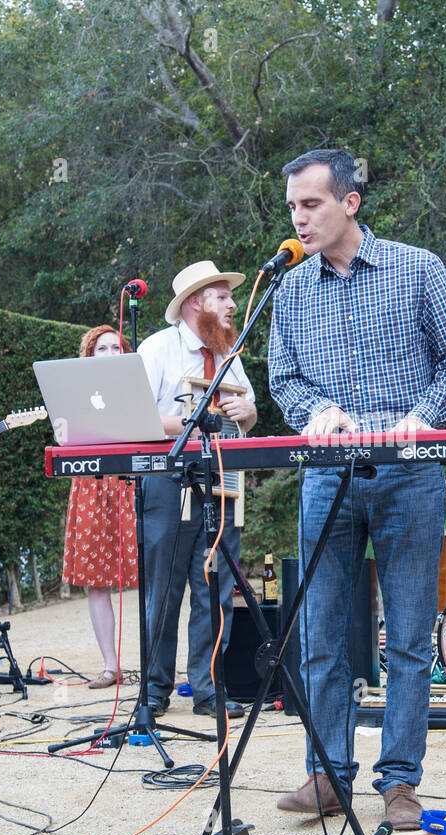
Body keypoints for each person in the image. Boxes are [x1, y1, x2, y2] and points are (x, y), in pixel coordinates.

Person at [268, 148, 446, 829]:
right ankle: (328, 776)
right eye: (293, 207)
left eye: (311, 204)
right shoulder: (289, 289)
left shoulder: (418, 268)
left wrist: (422, 417)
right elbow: (284, 381)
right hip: (326, 477)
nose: (299, 218)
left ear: (350, 202)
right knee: (321, 636)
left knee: (409, 639)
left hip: (408, 476)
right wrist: (313, 412)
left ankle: (400, 784)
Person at [137, 261, 258, 720]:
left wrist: (246, 410)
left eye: (230, 296)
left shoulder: (229, 354)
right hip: (169, 480)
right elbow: (137, 419)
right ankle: (153, 692)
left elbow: (245, 419)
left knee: (216, 590)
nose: (231, 304)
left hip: (221, 482)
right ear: (195, 303)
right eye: (222, 296)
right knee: (164, 590)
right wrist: (193, 422)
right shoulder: (157, 350)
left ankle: (208, 690)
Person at [61, 325, 140, 689]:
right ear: (89, 355)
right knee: (96, 582)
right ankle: (110, 666)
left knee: (150, 576)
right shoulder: (74, 391)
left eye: (116, 347)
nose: (110, 353)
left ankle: (154, 667)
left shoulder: (138, 385)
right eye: (102, 348)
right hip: (92, 485)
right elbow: (63, 437)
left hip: (131, 482)